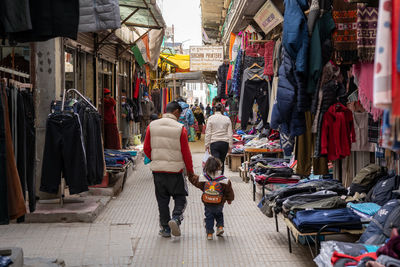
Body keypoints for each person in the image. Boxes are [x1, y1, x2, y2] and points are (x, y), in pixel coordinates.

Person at [143, 101, 198, 238]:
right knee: (180, 198)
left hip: (158, 171)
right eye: (179, 113)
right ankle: (176, 218)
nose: (180, 117)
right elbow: (186, 153)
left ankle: (166, 229)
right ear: (175, 112)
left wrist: (155, 159)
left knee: (162, 200)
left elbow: (146, 149)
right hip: (175, 171)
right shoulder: (180, 128)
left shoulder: (152, 126)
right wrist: (190, 171)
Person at [188, 157, 234, 240]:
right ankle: (220, 227)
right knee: (219, 214)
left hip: (208, 203)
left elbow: (194, 180)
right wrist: (229, 199)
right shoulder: (224, 180)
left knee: (209, 217)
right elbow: (229, 191)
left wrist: (190, 174)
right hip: (219, 202)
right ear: (219, 167)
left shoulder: (203, 178)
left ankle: (209, 234)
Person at [205, 103, 233, 175]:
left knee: (215, 162)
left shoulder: (211, 118)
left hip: (214, 143)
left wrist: (207, 145)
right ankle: (221, 178)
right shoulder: (227, 119)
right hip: (224, 143)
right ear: (222, 110)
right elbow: (230, 134)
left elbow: (208, 133)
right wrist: (230, 146)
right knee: (222, 162)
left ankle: (215, 179)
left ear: (214, 109)